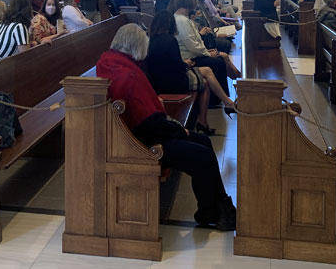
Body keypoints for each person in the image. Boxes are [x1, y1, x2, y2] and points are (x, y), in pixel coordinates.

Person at [96, 24, 236, 230]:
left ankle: (214, 208)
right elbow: (149, 123)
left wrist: (175, 128)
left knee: (204, 142)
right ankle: (212, 210)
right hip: (140, 142)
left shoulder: (110, 61)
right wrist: (180, 130)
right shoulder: (128, 75)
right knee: (202, 156)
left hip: (134, 132)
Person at [146, 11, 236, 135]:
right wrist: (187, 64)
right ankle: (225, 105)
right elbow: (178, 66)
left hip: (161, 80)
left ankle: (205, 121)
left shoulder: (152, 39)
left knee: (205, 79)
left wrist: (184, 63)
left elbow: (167, 62)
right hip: (173, 82)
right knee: (206, 76)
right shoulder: (170, 40)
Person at [172, 0, 238, 110]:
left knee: (221, 56)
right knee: (217, 61)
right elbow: (192, 45)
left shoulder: (183, 18)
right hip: (188, 58)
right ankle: (220, 100)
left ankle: (238, 85)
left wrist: (207, 52)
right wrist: (208, 53)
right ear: (189, 1)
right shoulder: (181, 20)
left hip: (193, 53)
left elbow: (195, 42)